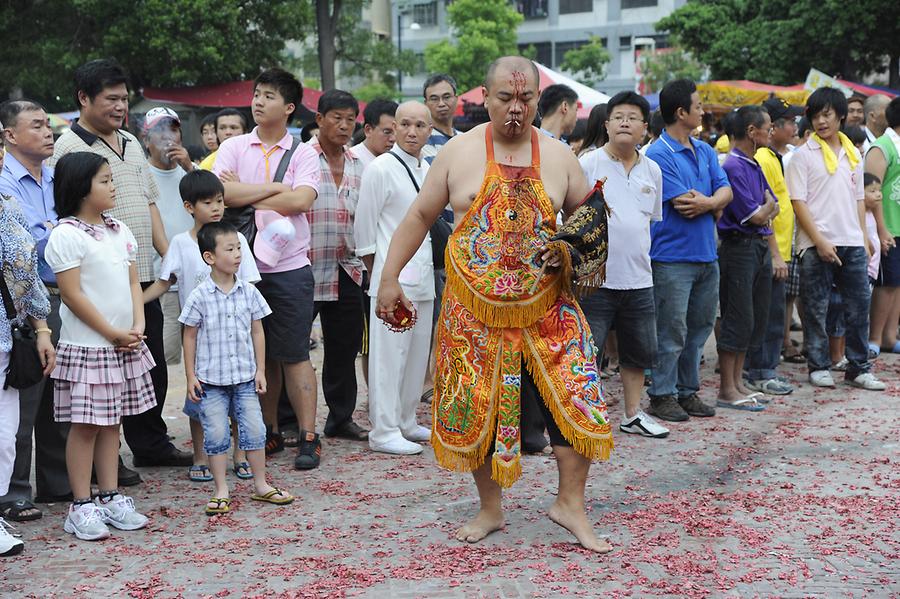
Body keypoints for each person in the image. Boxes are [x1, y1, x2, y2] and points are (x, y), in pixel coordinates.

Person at [375, 56, 614, 552]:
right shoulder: (457, 152)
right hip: (473, 306)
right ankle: (490, 508)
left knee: (576, 399)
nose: (516, 108)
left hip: (549, 303)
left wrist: (569, 245)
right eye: (506, 97)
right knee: (477, 405)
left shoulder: (558, 155)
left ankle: (570, 504)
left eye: (526, 99)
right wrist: (389, 277)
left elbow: (591, 212)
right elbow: (420, 216)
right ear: (485, 97)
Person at [50, 59, 191, 480]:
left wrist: (172, 258)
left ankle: (150, 444)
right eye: (110, 99)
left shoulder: (130, 140)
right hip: (96, 280)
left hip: (141, 273)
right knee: (102, 376)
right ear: (83, 99)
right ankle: (103, 467)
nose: (119, 107)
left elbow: (149, 206)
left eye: (123, 98)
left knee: (148, 367)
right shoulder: (68, 149)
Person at [213, 68, 322, 470]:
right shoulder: (235, 145)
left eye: (269, 96)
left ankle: (309, 435)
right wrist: (277, 191)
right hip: (238, 269)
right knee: (259, 358)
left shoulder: (305, 151)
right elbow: (220, 195)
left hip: (289, 268)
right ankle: (270, 429)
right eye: (257, 94)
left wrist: (247, 195)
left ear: (289, 107)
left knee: (293, 354)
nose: (258, 101)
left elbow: (302, 203)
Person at [46, 152, 156, 541]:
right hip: (91, 346)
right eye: (105, 180)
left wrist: (137, 324)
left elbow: (133, 284)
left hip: (123, 343)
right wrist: (111, 332)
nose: (113, 186)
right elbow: (72, 296)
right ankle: (80, 504)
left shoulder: (118, 229)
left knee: (113, 422)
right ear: (80, 187)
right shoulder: (66, 235)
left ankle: (110, 496)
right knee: (87, 425)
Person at [143, 170, 260, 482]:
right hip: (199, 338)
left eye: (220, 201)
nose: (216, 208)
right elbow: (164, 282)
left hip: (235, 338)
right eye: (207, 202)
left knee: (238, 397)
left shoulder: (235, 241)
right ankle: (200, 456)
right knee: (199, 398)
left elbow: (249, 288)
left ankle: (239, 455)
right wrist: (135, 303)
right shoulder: (181, 244)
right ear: (188, 207)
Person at [179, 221, 293, 515]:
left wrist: (260, 370)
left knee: (254, 430)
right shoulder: (199, 295)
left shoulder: (249, 292)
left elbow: (258, 331)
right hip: (211, 381)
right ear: (210, 257)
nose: (238, 253)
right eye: (229, 249)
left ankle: (261, 484)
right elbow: (189, 335)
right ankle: (221, 489)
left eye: (239, 247)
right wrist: (191, 375)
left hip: (244, 378)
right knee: (216, 435)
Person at [578, 91, 668, 438]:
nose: (625, 122)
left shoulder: (653, 170)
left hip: (638, 278)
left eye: (633, 117)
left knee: (637, 352)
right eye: (618, 117)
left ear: (645, 127)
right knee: (588, 351)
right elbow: (570, 217)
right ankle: (585, 414)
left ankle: (633, 414)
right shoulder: (589, 164)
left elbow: (650, 221)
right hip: (595, 279)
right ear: (606, 124)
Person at [644, 79, 733, 422]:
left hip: (706, 255)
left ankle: (687, 390)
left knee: (698, 328)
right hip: (671, 258)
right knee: (671, 330)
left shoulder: (706, 150)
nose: (702, 111)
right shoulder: (658, 154)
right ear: (681, 113)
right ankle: (662, 394)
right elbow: (685, 203)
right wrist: (713, 201)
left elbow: (723, 193)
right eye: (697, 106)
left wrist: (710, 201)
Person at [786, 87, 884, 390]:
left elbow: (858, 199)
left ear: (840, 115)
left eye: (826, 114)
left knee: (858, 306)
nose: (821, 121)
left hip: (852, 240)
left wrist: (864, 237)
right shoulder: (802, 156)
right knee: (815, 307)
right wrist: (819, 240)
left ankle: (858, 367)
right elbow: (798, 202)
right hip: (816, 243)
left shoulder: (854, 154)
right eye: (815, 116)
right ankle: (818, 364)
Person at [0, 101, 70, 521]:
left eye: (49, 125)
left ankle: (58, 482)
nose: (48, 132)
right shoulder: (5, 181)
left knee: (59, 393)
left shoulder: (57, 178)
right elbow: (24, 247)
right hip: (24, 298)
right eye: (38, 126)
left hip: (68, 291)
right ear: (9, 135)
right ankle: (14, 491)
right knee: (23, 396)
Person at [355, 102, 435, 455]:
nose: (411, 131)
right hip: (392, 280)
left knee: (417, 355)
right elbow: (364, 232)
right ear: (394, 128)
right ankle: (384, 430)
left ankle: (405, 420)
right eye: (404, 124)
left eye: (419, 125)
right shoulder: (381, 168)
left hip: (424, 276)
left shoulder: (429, 168)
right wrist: (380, 278)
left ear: (429, 130)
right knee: (388, 359)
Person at [0, 141, 54, 556]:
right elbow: (23, 264)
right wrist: (40, 324)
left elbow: (25, 271)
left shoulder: (7, 205)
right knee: (3, 433)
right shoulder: (6, 207)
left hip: (6, 338)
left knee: (5, 433)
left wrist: (40, 328)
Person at [307, 90, 369, 441]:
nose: (345, 126)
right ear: (320, 119)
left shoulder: (361, 164)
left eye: (350, 119)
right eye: (337, 118)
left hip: (348, 267)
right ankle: (287, 422)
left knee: (344, 346)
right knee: (294, 346)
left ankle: (341, 417)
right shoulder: (301, 158)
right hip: (304, 265)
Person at [716, 105, 778, 411]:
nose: (771, 132)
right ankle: (727, 388)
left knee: (752, 317)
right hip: (739, 247)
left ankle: (738, 382)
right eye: (767, 127)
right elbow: (756, 214)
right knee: (737, 316)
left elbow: (772, 205)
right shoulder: (734, 166)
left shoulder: (753, 164)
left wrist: (764, 211)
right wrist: (764, 211)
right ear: (752, 131)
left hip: (757, 246)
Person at [746, 97, 802, 393]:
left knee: (773, 314)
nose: (795, 127)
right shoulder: (764, 160)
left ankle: (764, 368)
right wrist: (776, 255)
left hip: (779, 250)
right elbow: (764, 211)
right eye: (790, 122)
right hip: (771, 251)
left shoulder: (775, 157)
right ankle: (761, 371)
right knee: (768, 316)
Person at [143, 107, 195, 366]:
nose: (167, 137)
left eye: (173, 130)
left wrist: (188, 166)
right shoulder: (140, 174)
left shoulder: (192, 173)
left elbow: (216, 202)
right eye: (159, 131)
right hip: (164, 281)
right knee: (168, 357)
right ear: (146, 141)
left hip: (198, 278)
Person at [866, 96, 900, 354]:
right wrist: (881, 228)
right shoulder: (882, 147)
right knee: (886, 284)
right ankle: (875, 338)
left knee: (897, 284)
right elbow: (871, 190)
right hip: (888, 225)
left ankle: (890, 337)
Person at [421, 74, 461, 164]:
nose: (441, 104)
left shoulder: (465, 138)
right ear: (425, 103)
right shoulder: (421, 140)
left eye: (446, 97)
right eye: (434, 99)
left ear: (456, 99)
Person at [352, 99, 398, 169]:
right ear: (368, 130)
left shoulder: (399, 160)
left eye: (397, 132)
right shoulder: (351, 161)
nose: (393, 138)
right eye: (387, 132)